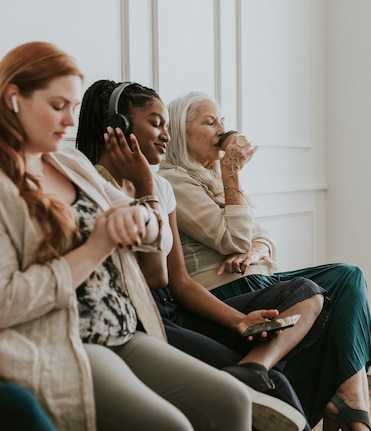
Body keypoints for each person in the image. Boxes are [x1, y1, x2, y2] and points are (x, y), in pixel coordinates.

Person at [0, 41, 302, 431]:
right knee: (169, 424)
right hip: (68, 339)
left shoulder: (71, 165)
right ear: (13, 99)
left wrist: (143, 217)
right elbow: (7, 301)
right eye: (57, 107)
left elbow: (155, 238)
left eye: (73, 109)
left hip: (126, 325)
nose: (69, 121)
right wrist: (98, 246)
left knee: (232, 399)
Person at [75, 79, 331, 431]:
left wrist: (238, 321)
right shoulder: (95, 187)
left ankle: (265, 371)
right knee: (276, 386)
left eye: (166, 125)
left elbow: (178, 281)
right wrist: (145, 188)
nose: (164, 135)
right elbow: (155, 275)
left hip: (173, 306)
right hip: (141, 315)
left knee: (307, 299)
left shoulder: (161, 186)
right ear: (118, 127)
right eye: (155, 123)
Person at [160, 91, 371, 430]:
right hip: (225, 291)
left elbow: (262, 237)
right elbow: (233, 237)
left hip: (257, 279)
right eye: (209, 121)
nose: (221, 130)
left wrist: (256, 252)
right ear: (180, 134)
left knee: (348, 277)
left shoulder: (215, 179)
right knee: (323, 291)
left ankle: (350, 402)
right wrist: (232, 176)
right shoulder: (174, 181)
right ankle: (350, 411)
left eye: (223, 122)